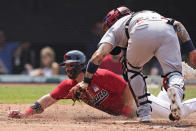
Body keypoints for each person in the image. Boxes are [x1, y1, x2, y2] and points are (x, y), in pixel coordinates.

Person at [70, 6, 196, 123]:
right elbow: (178, 25)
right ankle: (175, 89)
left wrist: (86, 82)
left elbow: (98, 56)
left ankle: (144, 112)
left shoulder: (116, 27)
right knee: (174, 73)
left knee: (132, 69)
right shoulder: (148, 13)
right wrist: (192, 49)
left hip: (140, 30)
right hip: (167, 29)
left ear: (112, 21)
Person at [8, 50, 196, 121]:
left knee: (176, 114)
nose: (68, 69)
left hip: (139, 102)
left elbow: (128, 89)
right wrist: (25, 114)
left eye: (72, 65)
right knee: (165, 102)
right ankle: (175, 78)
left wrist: (124, 113)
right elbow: (47, 100)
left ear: (81, 65)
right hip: (135, 106)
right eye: (66, 66)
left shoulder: (101, 75)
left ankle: (176, 80)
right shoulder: (68, 85)